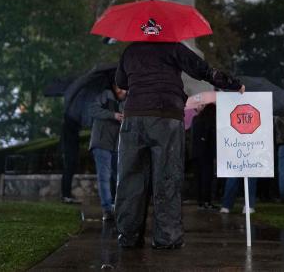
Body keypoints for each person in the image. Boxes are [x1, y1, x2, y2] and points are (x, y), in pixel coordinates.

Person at [114, 42, 243, 249]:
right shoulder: (172, 46)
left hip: (134, 117)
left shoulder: (130, 50)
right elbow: (202, 69)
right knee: (167, 176)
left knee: (131, 179)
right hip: (166, 116)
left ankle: (128, 236)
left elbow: (121, 81)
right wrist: (233, 84)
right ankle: (167, 238)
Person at [89, 84, 127, 220]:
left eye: (124, 88)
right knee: (103, 177)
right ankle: (107, 210)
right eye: (119, 87)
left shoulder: (127, 101)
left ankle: (117, 207)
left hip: (117, 144)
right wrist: (113, 115)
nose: (122, 90)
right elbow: (92, 109)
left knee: (118, 177)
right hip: (101, 143)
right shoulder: (105, 95)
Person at [191, 104, 218, 210]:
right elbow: (210, 139)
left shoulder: (195, 119)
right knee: (207, 178)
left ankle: (200, 202)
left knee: (199, 178)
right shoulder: (210, 121)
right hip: (207, 154)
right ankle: (207, 201)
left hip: (196, 154)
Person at [60, 114, 81, 204]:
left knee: (68, 173)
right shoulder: (70, 122)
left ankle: (66, 195)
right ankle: (66, 195)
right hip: (70, 151)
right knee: (68, 172)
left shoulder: (67, 122)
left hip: (69, 151)